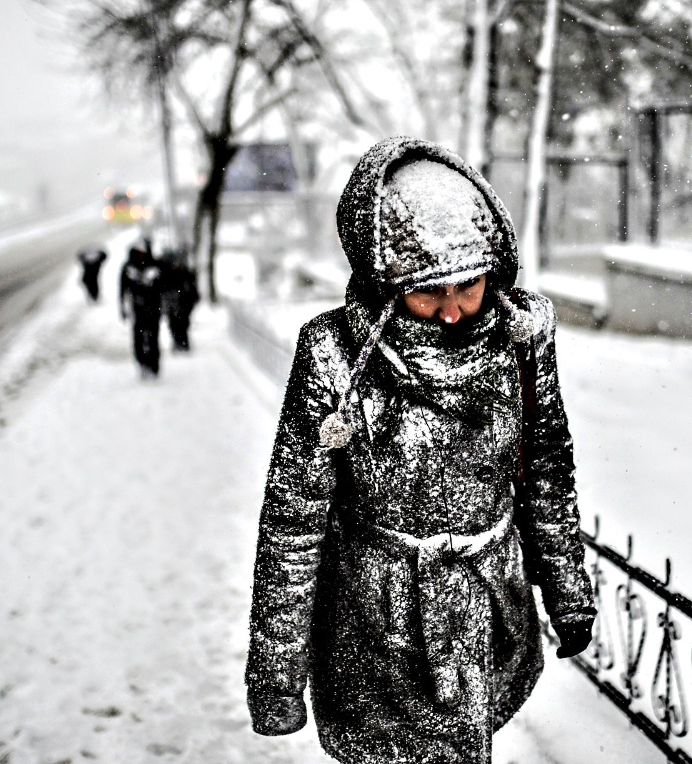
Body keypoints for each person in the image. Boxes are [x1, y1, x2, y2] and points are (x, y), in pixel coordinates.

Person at [246, 137, 595, 764]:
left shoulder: (519, 342)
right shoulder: (335, 356)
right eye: (429, 291)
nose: (455, 310)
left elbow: (545, 471)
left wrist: (567, 593)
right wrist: (277, 674)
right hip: (373, 630)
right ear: (385, 281)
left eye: (469, 285)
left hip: (486, 617)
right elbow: (294, 523)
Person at [119, 238, 164, 378]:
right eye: (138, 252)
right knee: (138, 338)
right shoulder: (128, 268)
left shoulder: (156, 266)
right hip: (137, 309)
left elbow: (163, 286)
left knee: (153, 338)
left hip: (154, 308)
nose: (141, 255)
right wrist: (122, 307)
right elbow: (122, 289)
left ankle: (154, 365)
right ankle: (142, 363)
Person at [160, 251, 200, 352]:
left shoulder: (186, 274)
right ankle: (177, 342)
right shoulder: (167, 274)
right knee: (174, 325)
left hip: (184, 305)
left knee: (183, 324)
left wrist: (192, 300)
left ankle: (183, 342)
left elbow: (192, 289)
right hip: (172, 305)